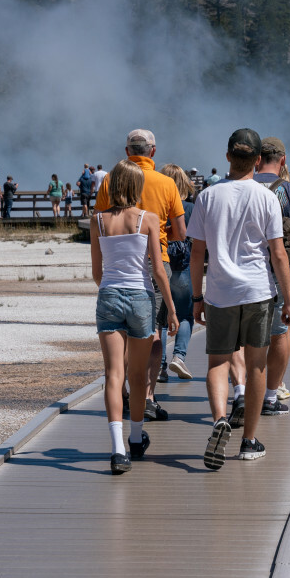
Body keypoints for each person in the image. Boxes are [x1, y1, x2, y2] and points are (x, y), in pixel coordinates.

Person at [189, 128, 290, 468]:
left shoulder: (207, 196)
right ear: (259, 160)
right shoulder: (267, 198)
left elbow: (196, 254)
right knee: (256, 364)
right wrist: (288, 299)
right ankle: (249, 441)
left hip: (220, 292)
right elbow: (278, 254)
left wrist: (196, 296)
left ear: (227, 156)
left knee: (218, 362)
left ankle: (220, 418)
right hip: (258, 292)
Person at [90, 159, 178, 475]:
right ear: (136, 186)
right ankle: (136, 438)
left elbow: (97, 273)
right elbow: (157, 270)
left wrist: (112, 289)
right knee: (138, 375)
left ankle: (117, 450)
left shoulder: (97, 221)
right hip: (141, 298)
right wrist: (170, 308)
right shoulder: (149, 219)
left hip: (109, 295)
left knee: (114, 374)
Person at [94, 129, 186, 422]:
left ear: (126, 151)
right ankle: (146, 396)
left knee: (119, 333)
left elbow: (101, 224)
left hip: (117, 268)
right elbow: (181, 232)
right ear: (153, 151)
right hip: (155, 260)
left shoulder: (110, 180)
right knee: (153, 333)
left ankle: (121, 388)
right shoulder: (166, 183)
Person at [251, 137, 290, 419]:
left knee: (245, 335)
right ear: (283, 160)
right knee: (280, 331)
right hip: (279, 272)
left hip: (243, 271)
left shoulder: (243, 187)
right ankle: (271, 396)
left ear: (256, 159)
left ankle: (242, 393)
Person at [160, 164, 196, 381]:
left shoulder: (158, 205)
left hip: (161, 266)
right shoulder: (191, 208)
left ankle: (160, 366)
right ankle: (179, 357)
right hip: (184, 268)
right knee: (185, 315)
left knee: (162, 319)